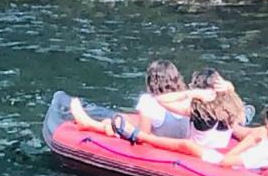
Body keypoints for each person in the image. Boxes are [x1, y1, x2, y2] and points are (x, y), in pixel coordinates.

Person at [70, 68, 247, 164]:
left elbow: (162, 100)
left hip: (194, 149)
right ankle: (98, 123)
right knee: (127, 118)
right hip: (216, 145)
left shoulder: (195, 110)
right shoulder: (233, 107)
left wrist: (191, 93)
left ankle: (91, 124)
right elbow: (231, 98)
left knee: (125, 126)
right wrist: (229, 87)